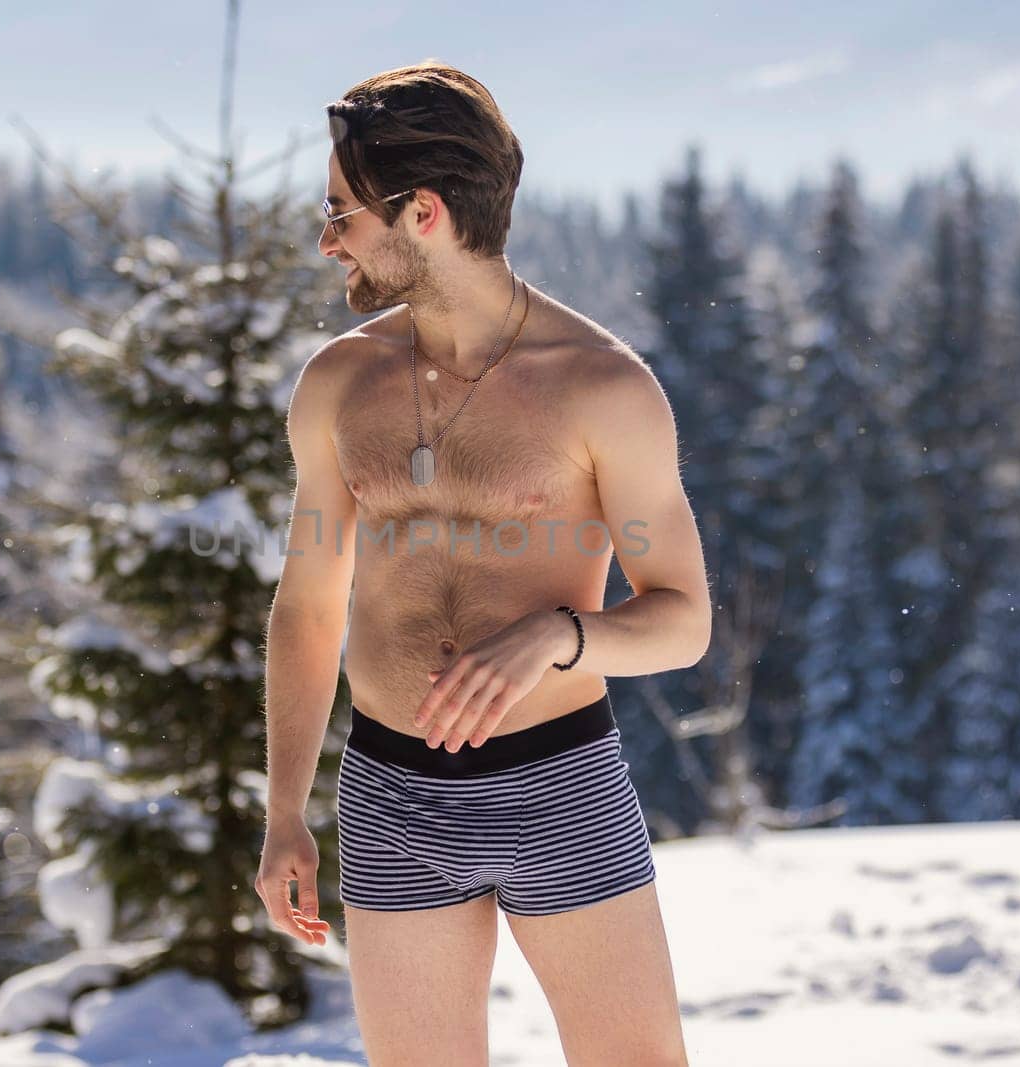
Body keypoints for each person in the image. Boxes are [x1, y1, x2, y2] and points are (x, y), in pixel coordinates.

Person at [256, 61, 709, 1067]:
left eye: (342, 212)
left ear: (420, 213)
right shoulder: (340, 381)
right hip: (389, 792)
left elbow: (682, 619)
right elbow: (307, 608)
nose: (326, 238)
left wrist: (563, 634)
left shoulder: (600, 387)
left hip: (559, 785)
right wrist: (286, 809)